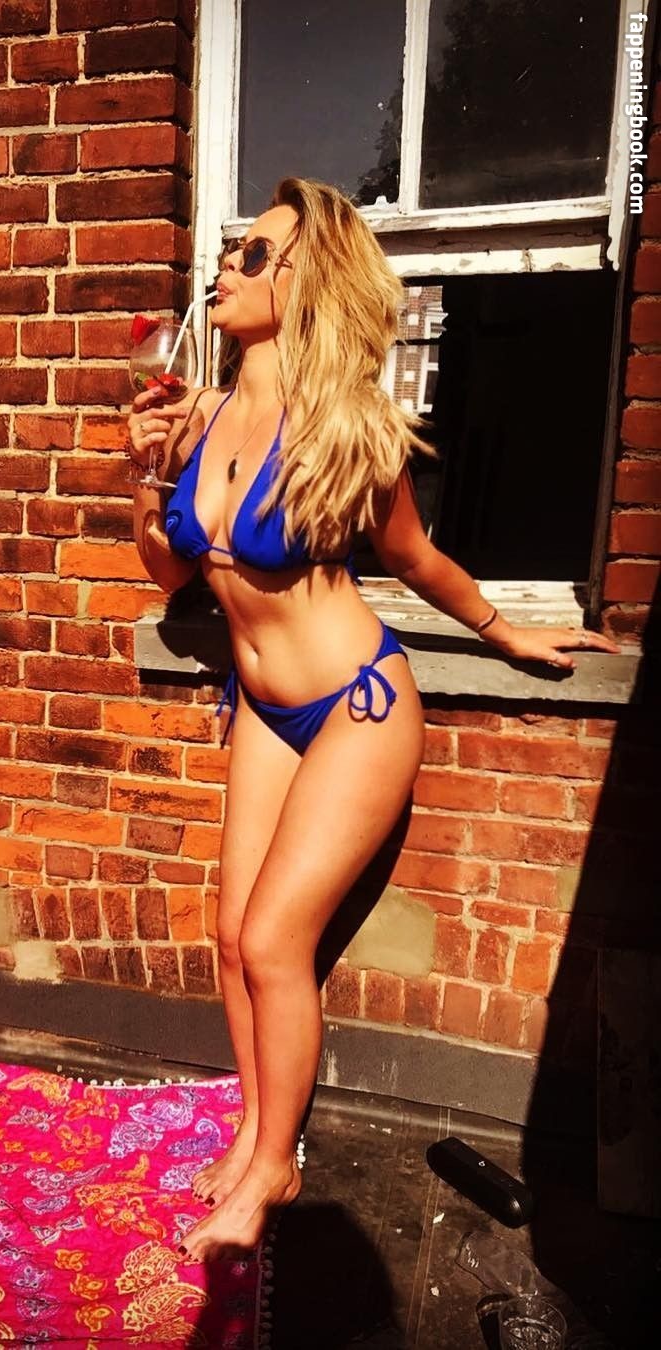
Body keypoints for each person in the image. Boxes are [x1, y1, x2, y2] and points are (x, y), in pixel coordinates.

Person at [124, 177, 620, 1263]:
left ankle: (272, 1169)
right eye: (232, 249)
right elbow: (168, 573)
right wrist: (145, 473)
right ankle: (258, 1136)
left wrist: (506, 631)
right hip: (264, 707)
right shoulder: (197, 415)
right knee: (228, 938)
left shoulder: (343, 427)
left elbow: (415, 558)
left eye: (254, 255)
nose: (227, 266)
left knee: (273, 938)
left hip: (359, 706)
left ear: (306, 282)